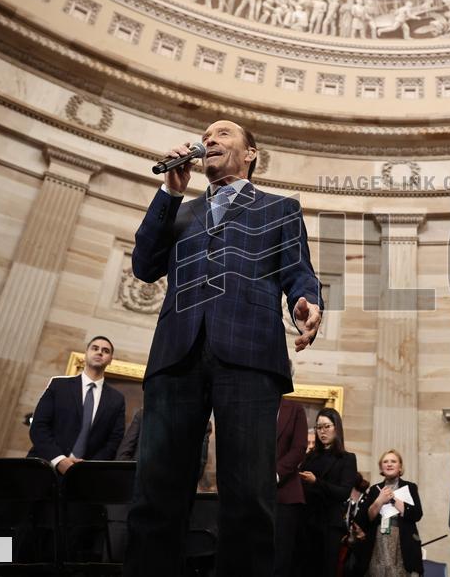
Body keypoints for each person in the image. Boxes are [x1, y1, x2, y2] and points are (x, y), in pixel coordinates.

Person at [125, 120, 324, 576]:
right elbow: (144, 265)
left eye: (223, 134)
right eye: (206, 135)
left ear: (251, 153)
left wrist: (306, 303)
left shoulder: (280, 208)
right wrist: (169, 193)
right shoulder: (179, 210)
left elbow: (298, 272)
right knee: (156, 490)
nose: (210, 140)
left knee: (249, 494)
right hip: (177, 351)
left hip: (250, 353)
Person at [28, 336, 126, 473]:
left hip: (86, 476)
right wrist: (59, 460)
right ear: (85, 354)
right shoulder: (59, 386)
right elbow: (38, 426)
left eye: (106, 351)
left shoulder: (117, 399)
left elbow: (114, 440)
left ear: (110, 360)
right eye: (95, 348)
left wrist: (88, 467)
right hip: (45, 467)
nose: (99, 352)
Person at [298, 408, 357, 577]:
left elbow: (343, 492)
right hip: (306, 522)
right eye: (318, 427)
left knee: (326, 571)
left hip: (329, 525)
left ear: (336, 427)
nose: (322, 431)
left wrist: (317, 482)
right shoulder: (310, 457)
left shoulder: (347, 458)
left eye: (326, 426)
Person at [353, 450, 424, 577]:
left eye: (393, 461)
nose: (389, 464)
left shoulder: (410, 487)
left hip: (402, 540)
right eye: (385, 462)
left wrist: (393, 499)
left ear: (400, 467)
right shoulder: (375, 489)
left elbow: (417, 514)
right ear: (381, 467)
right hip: (378, 541)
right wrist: (379, 501)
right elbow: (362, 519)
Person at [275, 397, 309, 577]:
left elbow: (299, 448)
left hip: (285, 494)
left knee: (281, 559)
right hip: (252, 492)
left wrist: (275, 474)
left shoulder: (295, 409)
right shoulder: (254, 405)